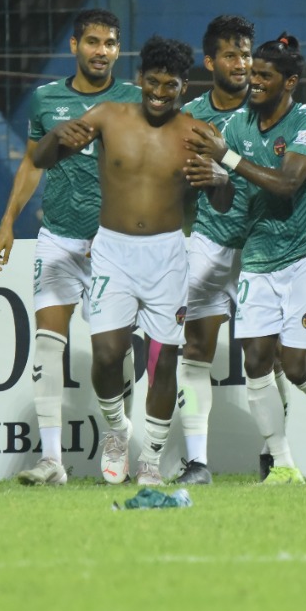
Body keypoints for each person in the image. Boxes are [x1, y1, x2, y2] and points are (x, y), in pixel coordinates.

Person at [32, 35, 232, 486]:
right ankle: (117, 431)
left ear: (184, 86)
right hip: (112, 252)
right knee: (107, 354)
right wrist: (54, 136)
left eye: (170, 85)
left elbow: (222, 202)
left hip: (167, 256)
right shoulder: (107, 116)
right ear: (139, 79)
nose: (160, 93)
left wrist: (221, 179)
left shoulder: (198, 133)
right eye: (153, 83)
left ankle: (151, 460)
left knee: (162, 361)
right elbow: (42, 158)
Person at [0, 9, 141, 486]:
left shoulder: (133, 101)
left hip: (114, 244)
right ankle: (52, 460)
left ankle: (117, 437)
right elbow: (32, 164)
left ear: (118, 49)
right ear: (74, 46)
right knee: (47, 343)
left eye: (110, 43)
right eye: (93, 42)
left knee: (114, 352)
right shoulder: (46, 99)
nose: (101, 51)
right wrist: (7, 223)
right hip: (58, 236)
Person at [187, 33, 306, 484]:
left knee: (295, 367)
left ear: (289, 82)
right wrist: (215, 181)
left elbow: (288, 183)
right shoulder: (238, 125)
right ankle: (283, 464)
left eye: (264, 76)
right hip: (259, 253)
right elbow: (226, 202)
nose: (253, 81)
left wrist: (227, 159)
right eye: (253, 73)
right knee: (255, 359)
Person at [173, 15, 257, 485]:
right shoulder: (190, 117)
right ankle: (198, 463)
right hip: (209, 242)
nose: (241, 63)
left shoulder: (268, 107)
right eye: (230, 55)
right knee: (196, 347)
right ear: (209, 62)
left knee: (269, 356)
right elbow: (173, 182)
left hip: (262, 245)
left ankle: (274, 457)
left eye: (246, 54)